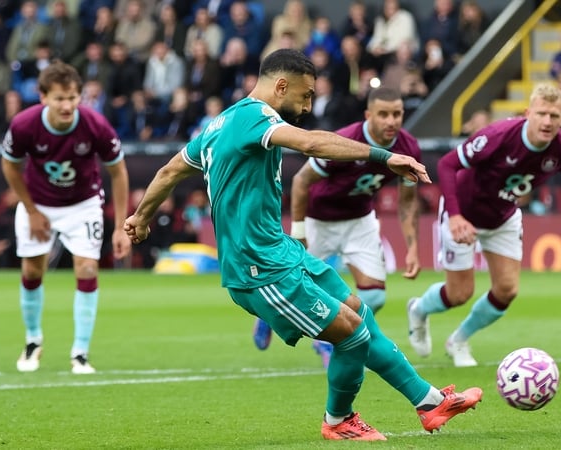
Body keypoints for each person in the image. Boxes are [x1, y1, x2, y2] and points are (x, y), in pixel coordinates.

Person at [123, 49, 482, 441]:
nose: (308, 104)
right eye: (305, 95)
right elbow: (310, 144)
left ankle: (429, 402)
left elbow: (169, 170)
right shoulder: (255, 117)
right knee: (352, 335)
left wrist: (140, 216)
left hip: (280, 250)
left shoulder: (217, 123)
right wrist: (384, 158)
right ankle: (338, 421)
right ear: (281, 86)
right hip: (257, 267)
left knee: (360, 312)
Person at [406, 83, 561, 368]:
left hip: (503, 216)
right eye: (542, 114)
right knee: (458, 294)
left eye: (554, 116)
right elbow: (448, 165)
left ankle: (459, 340)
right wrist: (455, 216)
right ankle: (418, 309)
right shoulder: (498, 136)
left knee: (507, 290)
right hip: (463, 212)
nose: (547, 122)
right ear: (528, 113)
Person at [252, 86, 423, 367]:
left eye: (397, 114)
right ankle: (268, 316)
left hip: (360, 220)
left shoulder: (408, 147)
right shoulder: (344, 141)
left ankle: (326, 338)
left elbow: (406, 202)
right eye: (383, 114)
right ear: (369, 115)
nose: (391, 121)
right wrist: (299, 230)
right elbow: (302, 181)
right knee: (290, 285)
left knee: (376, 296)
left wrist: (413, 247)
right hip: (319, 220)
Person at [1, 60, 131, 374]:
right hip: (39, 203)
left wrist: (121, 227)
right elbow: (10, 166)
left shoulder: (96, 125)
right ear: (43, 96)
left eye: (73, 97)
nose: (67, 105)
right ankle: (33, 340)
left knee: (87, 269)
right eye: (60, 98)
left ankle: (80, 353)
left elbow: (119, 173)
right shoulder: (23, 125)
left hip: (83, 204)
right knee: (32, 271)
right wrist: (31, 211)